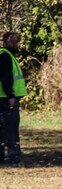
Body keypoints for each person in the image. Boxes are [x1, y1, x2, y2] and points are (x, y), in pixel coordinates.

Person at [0, 32, 28, 165]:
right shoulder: (5, 55)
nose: (16, 44)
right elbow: (6, 77)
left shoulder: (6, 55)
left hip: (3, 98)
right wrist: (11, 95)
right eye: (14, 41)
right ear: (5, 41)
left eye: (17, 41)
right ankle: (14, 157)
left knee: (2, 129)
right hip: (6, 99)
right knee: (10, 129)